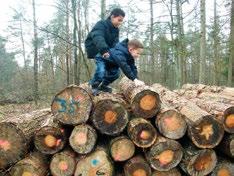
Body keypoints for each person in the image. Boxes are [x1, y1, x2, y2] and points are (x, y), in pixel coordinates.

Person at [85, 8, 125, 92]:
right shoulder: (101, 24)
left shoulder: (116, 30)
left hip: (107, 51)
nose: (120, 23)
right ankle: (92, 87)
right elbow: (98, 37)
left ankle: (103, 86)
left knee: (116, 72)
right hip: (96, 49)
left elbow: (115, 43)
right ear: (112, 17)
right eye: (119, 20)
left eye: (122, 21)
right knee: (101, 70)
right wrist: (103, 50)